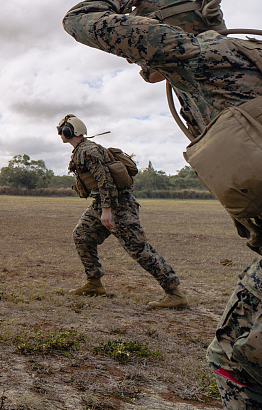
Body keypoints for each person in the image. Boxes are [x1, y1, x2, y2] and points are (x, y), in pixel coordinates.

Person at [63, 0, 262, 410]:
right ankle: (100, 282)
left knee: (243, 369)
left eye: (146, 36)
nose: (139, 60)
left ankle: (171, 289)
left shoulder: (198, 54)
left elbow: (79, 19)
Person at [58, 114, 186, 308]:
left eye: (61, 130)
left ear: (70, 131)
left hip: (118, 205)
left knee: (139, 249)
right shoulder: (81, 150)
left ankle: (174, 293)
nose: (60, 134)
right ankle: (94, 284)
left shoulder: (88, 150)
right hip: (102, 203)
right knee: (82, 236)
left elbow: (105, 180)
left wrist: (107, 210)